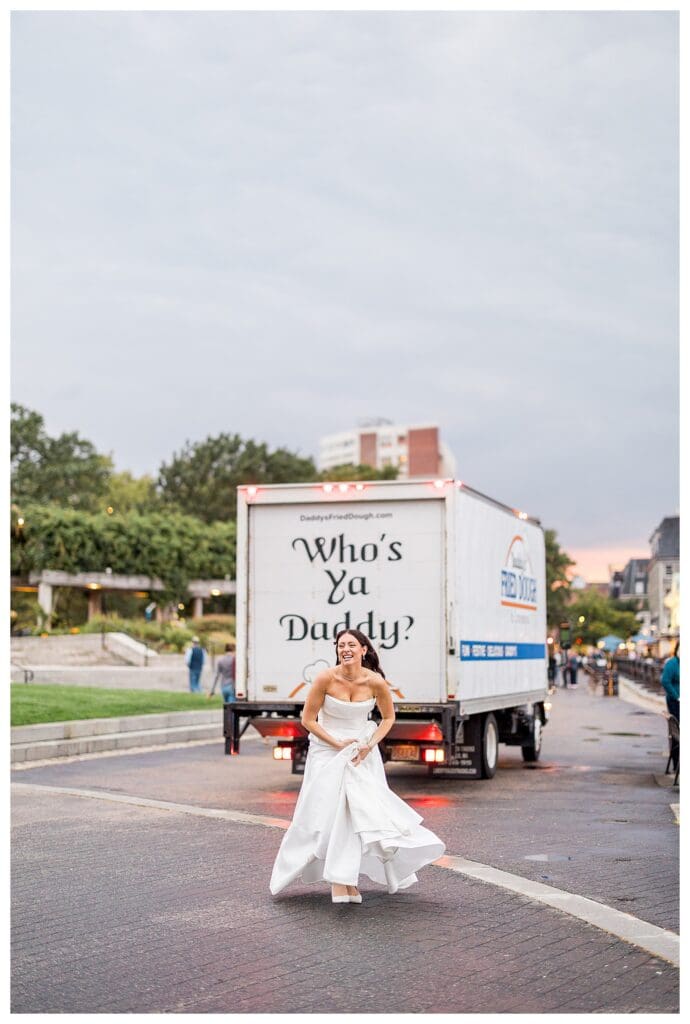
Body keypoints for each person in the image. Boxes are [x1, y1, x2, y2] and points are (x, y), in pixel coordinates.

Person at [269, 628, 445, 903]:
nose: (346, 649)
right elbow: (308, 720)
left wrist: (370, 743)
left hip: (360, 753)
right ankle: (340, 880)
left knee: (358, 816)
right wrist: (337, 743)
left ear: (364, 649)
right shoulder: (325, 678)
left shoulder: (375, 682)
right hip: (327, 751)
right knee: (330, 814)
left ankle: (344, 879)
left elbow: (388, 718)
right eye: (341, 645)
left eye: (352, 644)